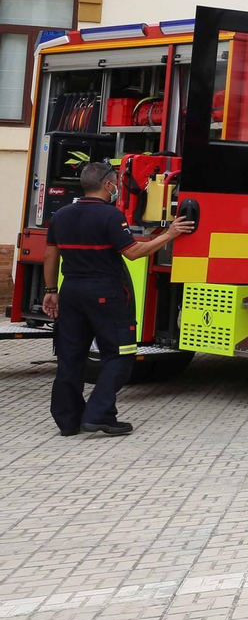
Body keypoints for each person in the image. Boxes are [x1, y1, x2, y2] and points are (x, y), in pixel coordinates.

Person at [41, 161, 194, 436]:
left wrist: (51, 291)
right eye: (116, 185)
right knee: (121, 354)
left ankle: (68, 420)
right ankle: (99, 414)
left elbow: (51, 256)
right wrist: (170, 234)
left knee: (70, 358)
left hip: (71, 291)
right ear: (109, 185)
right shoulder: (111, 217)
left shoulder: (61, 215)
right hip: (104, 293)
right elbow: (133, 252)